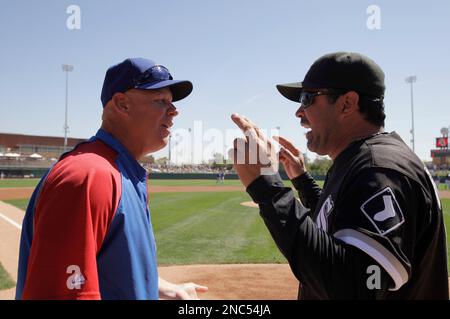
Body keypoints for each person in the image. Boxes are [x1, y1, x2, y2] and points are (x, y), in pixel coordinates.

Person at [231, 52, 448, 299]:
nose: (299, 112)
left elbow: (360, 285)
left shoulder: (380, 169)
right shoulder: (363, 160)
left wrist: (266, 186)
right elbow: (338, 223)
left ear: (347, 103)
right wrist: (302, 181)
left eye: (307, 98)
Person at [16, 58, 208, 300]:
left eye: (172, 102)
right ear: (122, 104)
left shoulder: (119, 171)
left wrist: (160, 288)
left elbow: (108, 268)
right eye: (160, 101)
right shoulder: (89, 176)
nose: (174, 111)